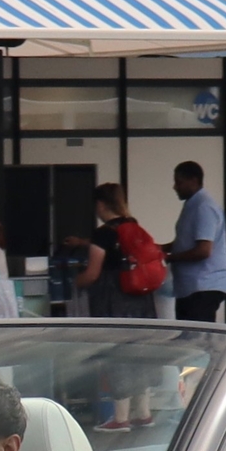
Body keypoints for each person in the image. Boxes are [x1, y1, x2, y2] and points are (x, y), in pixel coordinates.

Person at [73, 184, 158, 430]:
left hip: (114, 301)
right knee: (140, 352)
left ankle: (121, 418)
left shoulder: (104, 234)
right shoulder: (134, 226)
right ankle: (144, 413)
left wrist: (75, 282)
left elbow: (92, 273)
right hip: (141, 301)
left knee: (117, 353)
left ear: (101, 205)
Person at [166, 160, 226, 324]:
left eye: (179, 182)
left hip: (203, 286)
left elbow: (203, 250)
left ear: (193, 181)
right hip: (190, 287)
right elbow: (184, 242)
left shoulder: (203, 207)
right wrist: (157, 248)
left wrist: (169, 257)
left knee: (199, 340)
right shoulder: (192, 205)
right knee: (188, 337)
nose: (175, 187)